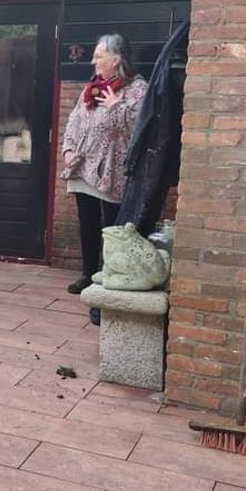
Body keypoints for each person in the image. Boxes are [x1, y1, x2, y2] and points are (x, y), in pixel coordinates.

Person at [60, 33, 147, 323]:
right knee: (87, 221)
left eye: (99, 56)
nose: (94, 61)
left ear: (117, 58)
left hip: (112, 171)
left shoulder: (136, 89)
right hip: (83, 168)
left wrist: (115, 107)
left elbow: (140, 127)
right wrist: (68, 149)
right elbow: (74, 120)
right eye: (95, 55)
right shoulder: (92, 89)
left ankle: (107, 278)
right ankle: (88, 273)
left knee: (111, 228)